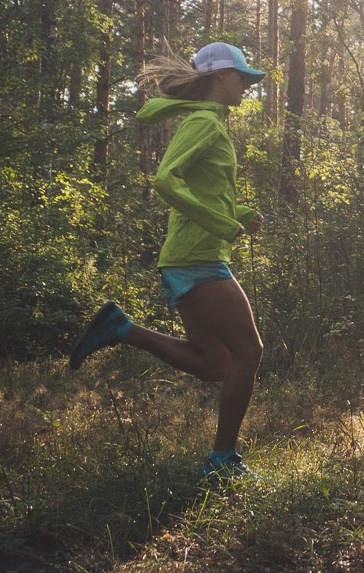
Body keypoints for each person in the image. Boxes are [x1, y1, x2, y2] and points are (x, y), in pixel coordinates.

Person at [69, 42, 268, 480]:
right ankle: (222, 461)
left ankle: (121, 329)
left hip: (188, 257)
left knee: (214, 364)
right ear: (219, 77)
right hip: (197, 259)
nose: (247, 87)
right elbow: (165, 180)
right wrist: (221, 225)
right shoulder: (203, 123)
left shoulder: (211, 122)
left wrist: (235, 215)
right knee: (249, 352)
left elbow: (201, 194)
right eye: (242, 77)